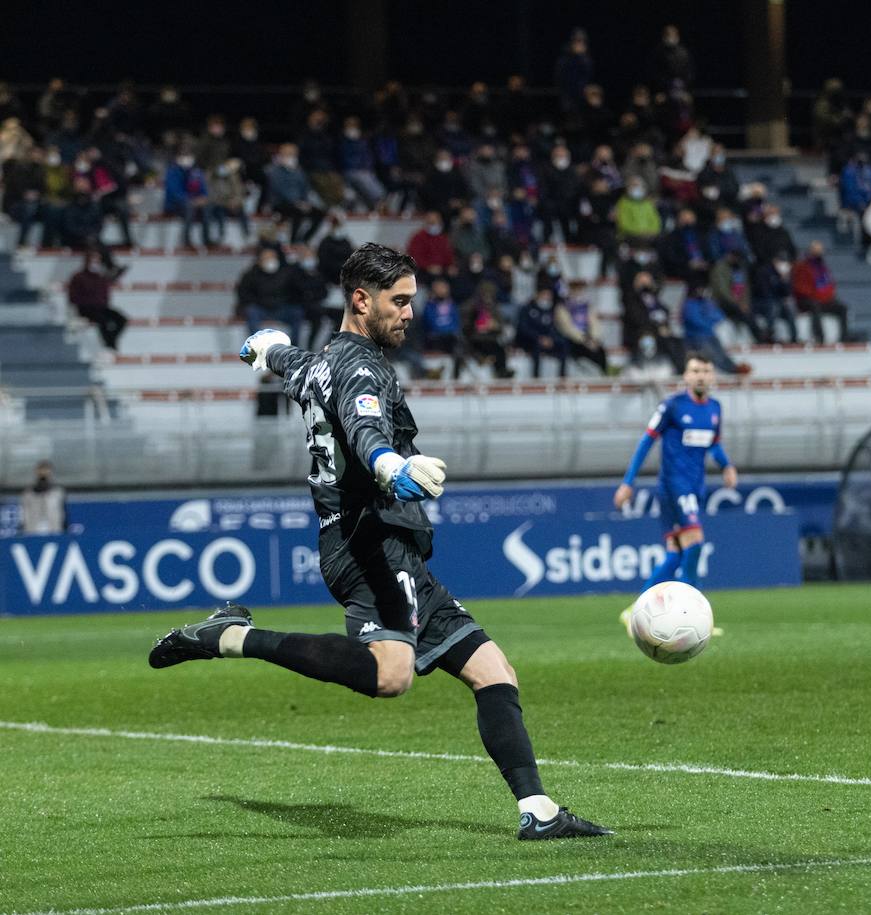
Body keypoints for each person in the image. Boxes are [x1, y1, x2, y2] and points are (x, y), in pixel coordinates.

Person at [149, 244, 609, 841]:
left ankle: (539, 812)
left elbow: (289, 361)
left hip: (390, 544)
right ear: (361, 301)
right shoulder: (361, 368)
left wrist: (266, 349)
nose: (410, 313)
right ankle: (230, 636)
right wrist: (391, 466)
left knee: (493, 671)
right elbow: (365, 426)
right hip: (367, 542)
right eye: (399, 301)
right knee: (391, 675)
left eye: (412, 300)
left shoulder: (320, 362)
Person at [613, 353, 738, 617]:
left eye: (706, 370)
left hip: (695, 486)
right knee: (695, 542)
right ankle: (691, 612)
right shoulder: (672, 406)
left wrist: (726, 465)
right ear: (686, 376)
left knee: (677, 553)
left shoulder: (715, 408)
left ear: (713, 375)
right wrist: (628, 483)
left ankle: (636, 611)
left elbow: (712, 443)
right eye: (695, 371)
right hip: (674, 485)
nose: (701, 375)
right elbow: (646, 441)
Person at [67, 251, 129, 350]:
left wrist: (102, 303)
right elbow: (73, 298)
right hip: (85, 309)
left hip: (101, 307)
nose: (95, 263)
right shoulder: (78, 277)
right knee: (103, 321)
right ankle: (110, 346)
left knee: (122, 319)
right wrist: (89, 302)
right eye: (93, 260)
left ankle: (111, 343)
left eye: (97, 261)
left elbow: (105, 296)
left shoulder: (101, 278)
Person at [20, 460, 67, 536]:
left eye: (46, 470)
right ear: (36, 472)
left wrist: (62, 527)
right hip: (33, 528)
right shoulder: (28, 493)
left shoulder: (58, 492)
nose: (43, 473)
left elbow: (62, 512)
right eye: (41, 470)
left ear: (50, 472)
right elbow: (25, 513)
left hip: (54, 528)